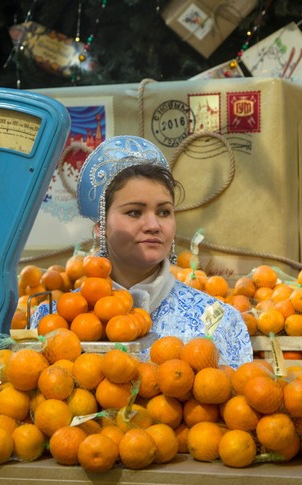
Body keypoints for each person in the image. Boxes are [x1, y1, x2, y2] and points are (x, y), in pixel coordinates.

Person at [34, 135, 252, 368]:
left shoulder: (219, 321)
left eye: (164, 212)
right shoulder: (54, 322)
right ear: (101, 227)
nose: (153, 225)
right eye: (134, 212)